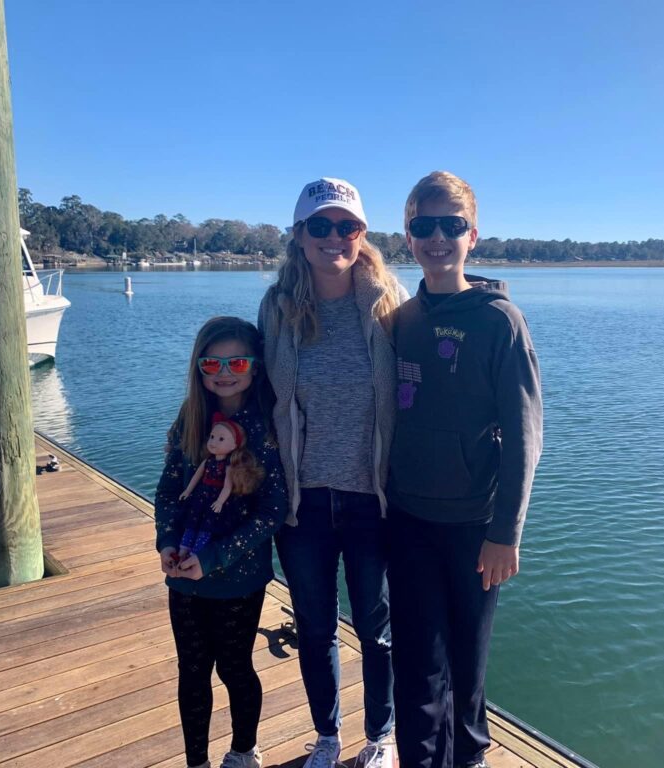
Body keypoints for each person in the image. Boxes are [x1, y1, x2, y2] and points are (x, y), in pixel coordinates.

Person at [385, 171, 543, 768]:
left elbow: (525, 435)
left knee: (467, 667)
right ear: (408, 237)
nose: (437, 238)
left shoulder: (499, 320)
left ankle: (470, 757)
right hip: (406, 519)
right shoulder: (400, 319)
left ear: (472, 236)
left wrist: (507, 531)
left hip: (475, 527)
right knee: (417, 666)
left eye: (451, 225)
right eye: (423, 226)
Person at [258, 177, 407, 768]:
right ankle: (326, 737)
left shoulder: (389, 302)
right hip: (304, 503)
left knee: (378, 632)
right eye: (319, 226)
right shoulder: (277, 307)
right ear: (298, 237)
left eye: (346, 226)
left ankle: (382, 736)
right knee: (316, 629)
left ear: (362, 235)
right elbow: (254, 391)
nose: (333, 237)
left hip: (371, 500)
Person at [155, 316, 288, 768]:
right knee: (192, 673)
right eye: (212, 362)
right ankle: (197, 761)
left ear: (255, 366)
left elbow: (272, 512)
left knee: (234, 668)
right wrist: (167, 542)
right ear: (199, 367)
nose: (224, 372)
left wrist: (214, 558)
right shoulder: (189, 420)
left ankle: (243, 752)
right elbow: (169, 490)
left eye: (236, 361)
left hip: (238, 580)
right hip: (184, 579)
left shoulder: (268, 429)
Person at [177, 416, 264, 558]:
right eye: (212, 437)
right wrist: (187, 490)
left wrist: (220, 502)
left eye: (221, 439)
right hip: (200, 496)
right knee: (192, 522)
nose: (213, 442)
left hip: (214, 500)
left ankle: (196, 553)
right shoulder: (207, 461)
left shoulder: (228, 467)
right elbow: (196, 477)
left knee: (206, 526)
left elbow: (227, 487)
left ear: (234, 445)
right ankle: (183, 550)